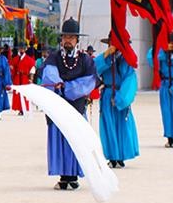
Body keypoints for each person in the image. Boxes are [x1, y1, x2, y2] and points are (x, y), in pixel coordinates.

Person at [41, 18, 96, 190]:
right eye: (65, 37)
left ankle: (73, 176)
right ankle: (63, 176)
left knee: (76, 140)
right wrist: (58, 84)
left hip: (76, 106)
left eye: (72, 38)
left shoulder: (85, 59)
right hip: (57, 106)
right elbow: (48, 74)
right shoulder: (54, 57)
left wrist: (69, 89)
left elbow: (89, 81)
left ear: (77, 40)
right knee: (59, 139)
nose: (68, 41)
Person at [94, 39, 139, 168]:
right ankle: (112, 156)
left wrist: (121, 99)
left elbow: (130, 80)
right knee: (108, 125)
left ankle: (121, 156)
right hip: (107, 93)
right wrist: (107, 56)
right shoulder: (105, 58)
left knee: (122, 125)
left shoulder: (127, 61)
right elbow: (93, 68)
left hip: (120, 93)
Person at [10, 44, 36, 115]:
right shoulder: (15, 59)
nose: (21, 50)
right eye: (20, 48)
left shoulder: (29, 60)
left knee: (25, 94)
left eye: (23, 49)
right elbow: (12, 70)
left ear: (25, 49)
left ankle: (23, 108)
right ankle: (19, 108)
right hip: (17, 78)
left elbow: (32, 70)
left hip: (25, 78)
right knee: (18, 94)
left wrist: (31, 78)